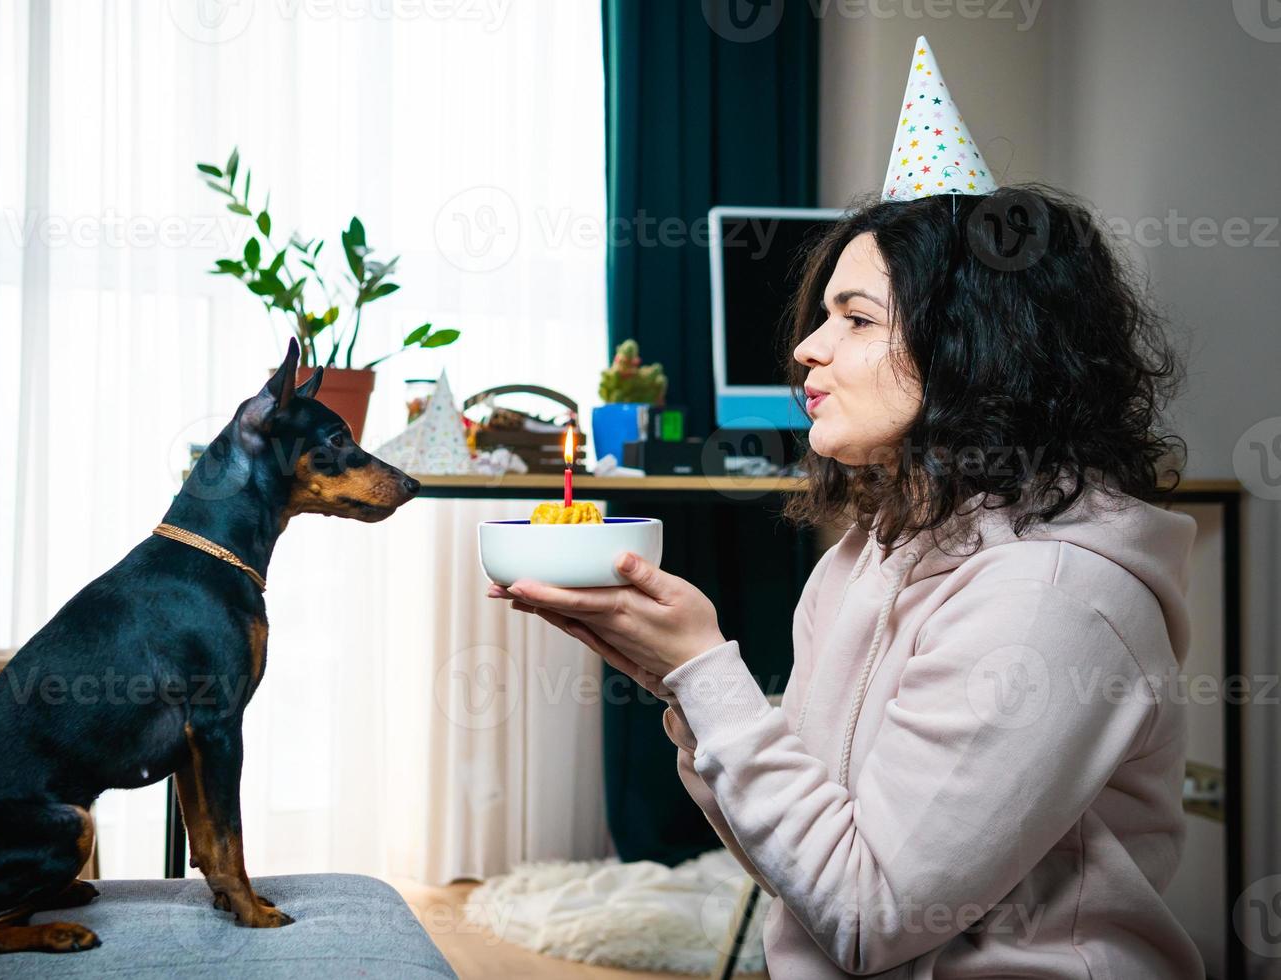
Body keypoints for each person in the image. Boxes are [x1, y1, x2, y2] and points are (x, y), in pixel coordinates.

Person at [489, 36, 1205, 980]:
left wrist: (706, 672)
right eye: (823, 316)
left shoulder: (1053, 603)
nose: (806, 353)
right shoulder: (862, 559)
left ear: (974, 349)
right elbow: (798, 867)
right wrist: (680, 686)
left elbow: (868, 917)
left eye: (857, 319)